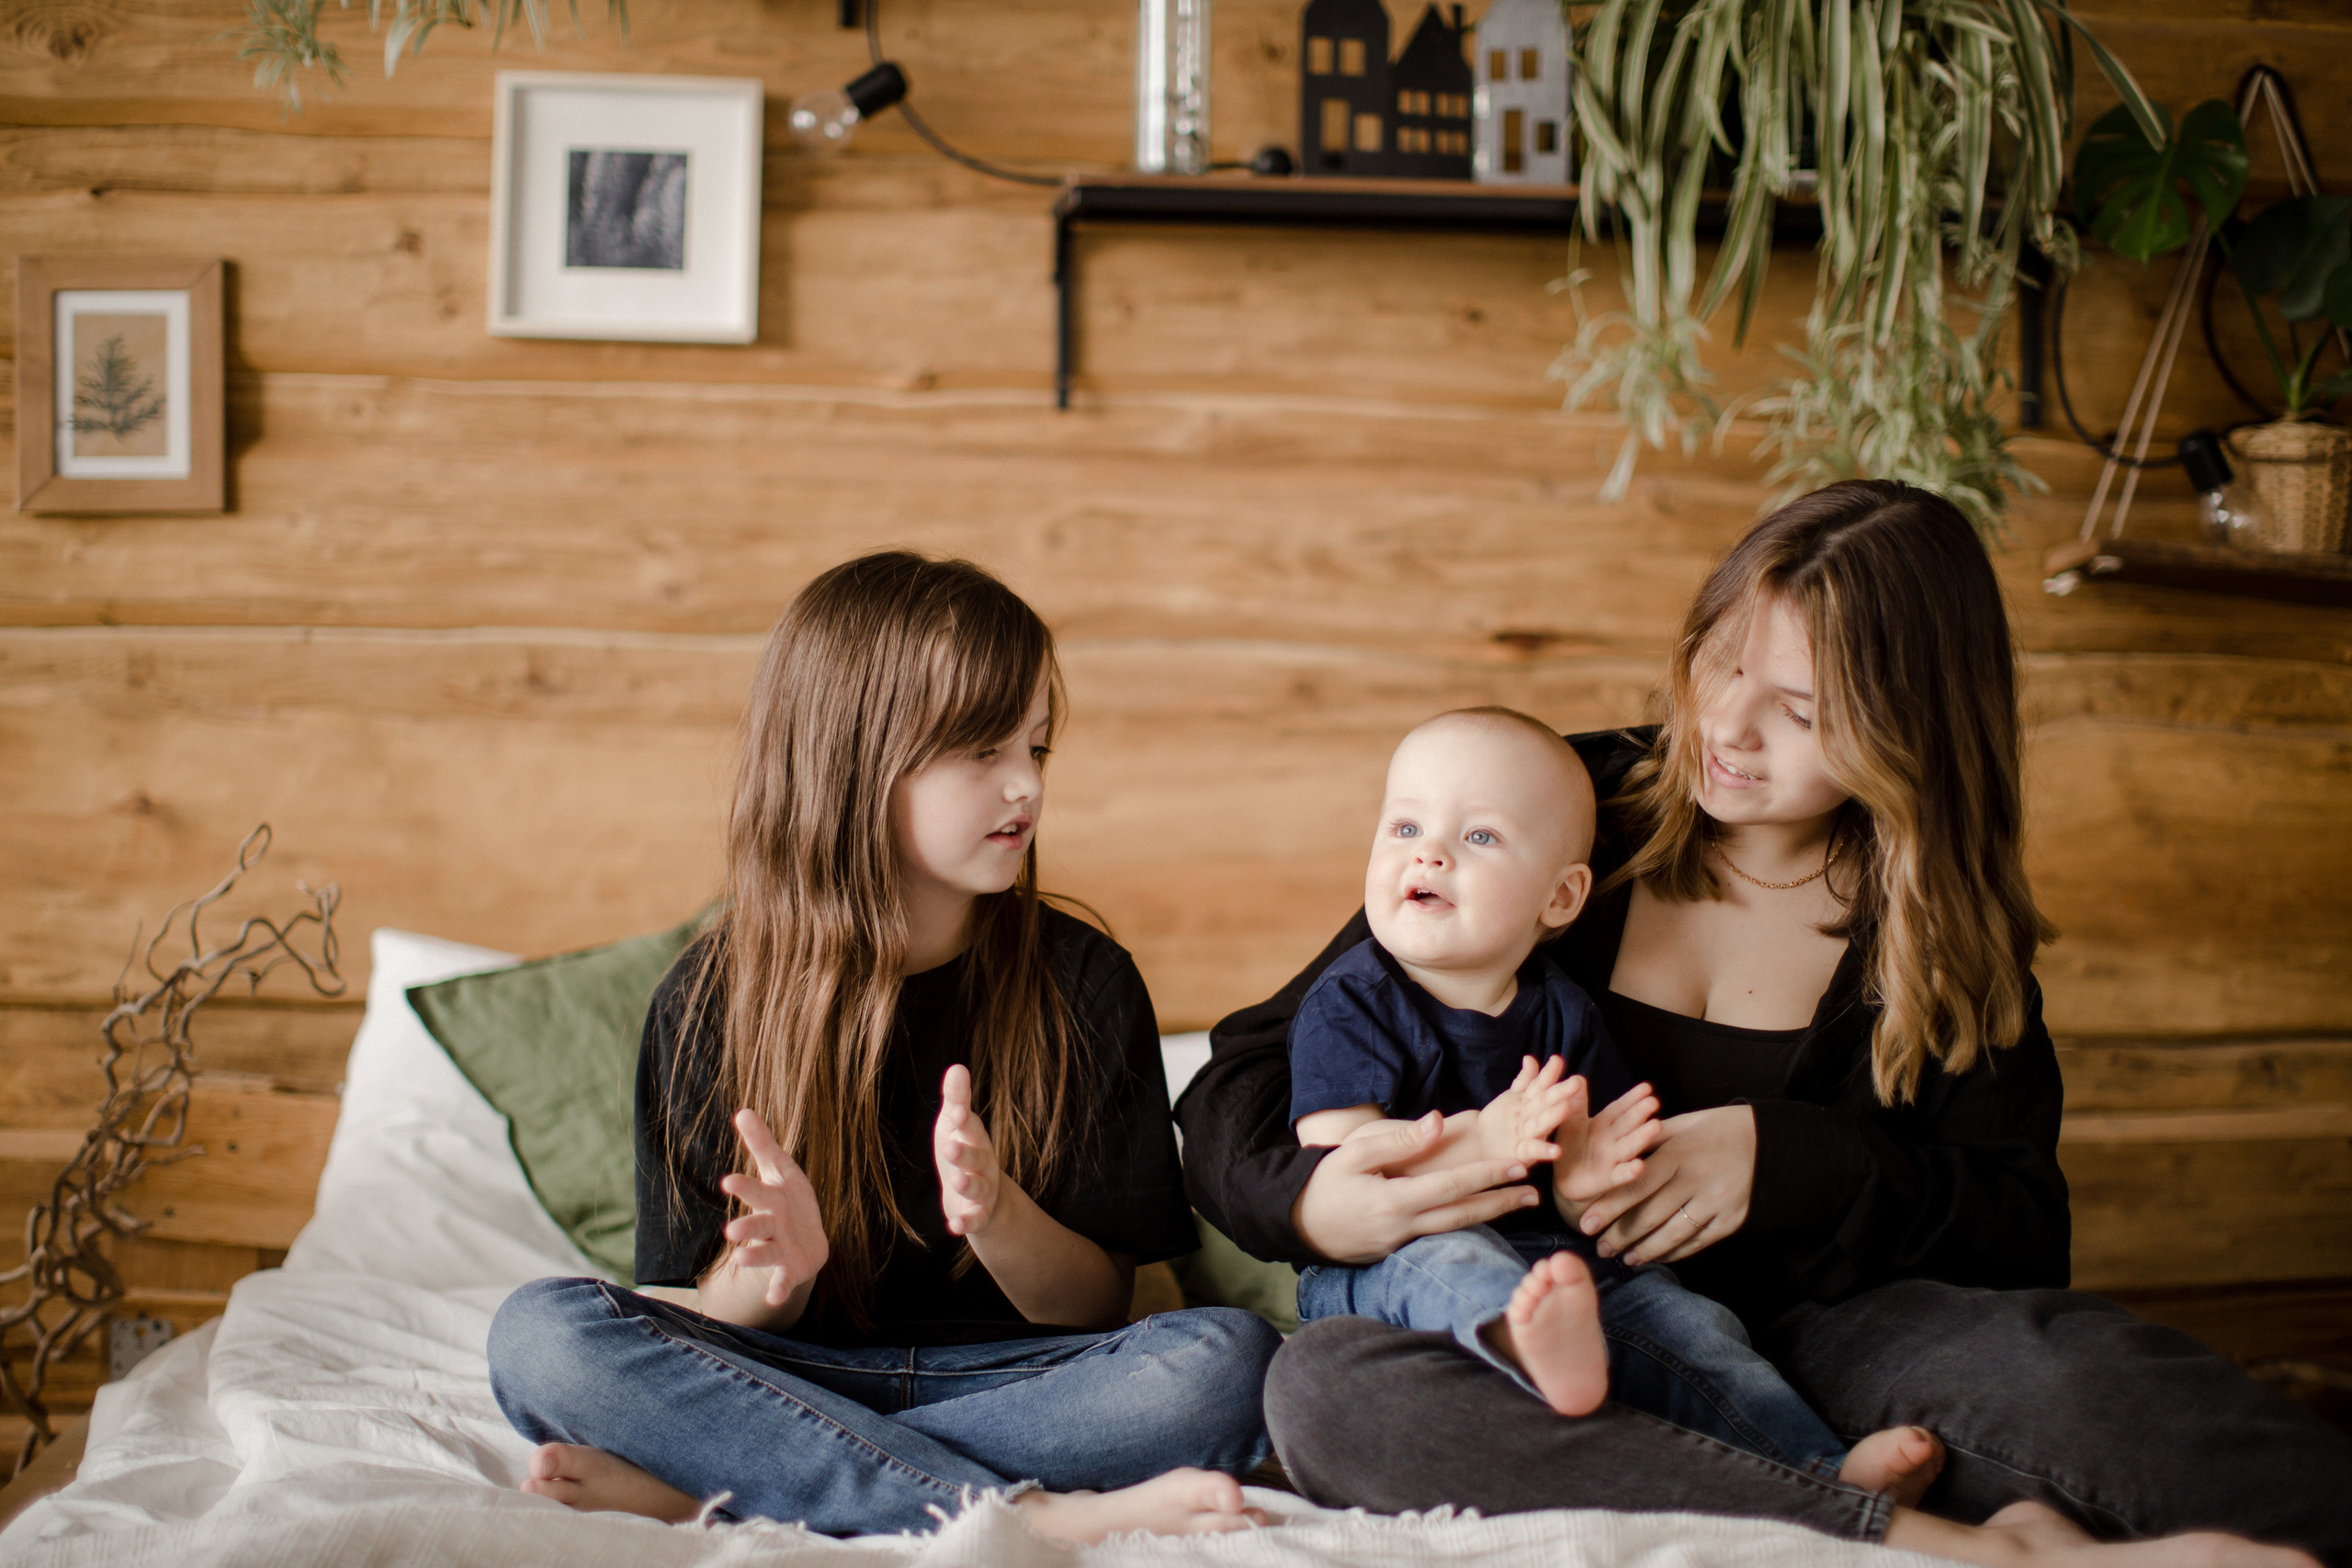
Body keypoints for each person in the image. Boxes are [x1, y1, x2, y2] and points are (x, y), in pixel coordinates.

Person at [1178, 481, 2349, 1568]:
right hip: (1556, 1329)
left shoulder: (1942, 932)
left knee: (2104, 1394)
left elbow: (2019, 1236)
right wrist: (1311, 1203)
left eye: (1797, 707)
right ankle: (1922, 1540)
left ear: (1911, 728)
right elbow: (1248, 1072)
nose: (1727, 727)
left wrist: (1791, 1158)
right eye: (1717, 664)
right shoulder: (1552, 813)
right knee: (1336, 1392)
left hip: (1846, 1336)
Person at [487, 551, 1282, 1542]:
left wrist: (998, 1216)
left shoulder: (1084, 981)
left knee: (1225, 1362)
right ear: (852, 758)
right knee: (541, 1338)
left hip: (1015, 1380)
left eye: (1037, 748)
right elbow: (711, 1321)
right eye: (983, 751)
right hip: (789, 1374)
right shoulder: (705, 1000)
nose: (1025, 786)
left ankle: (731, 1486)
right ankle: (1022, 1519)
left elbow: (1094, 1307)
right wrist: (774, 1279)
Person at [1287, 706, 1941, 1501]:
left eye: (1480, 838)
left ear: (1560, 898)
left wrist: (1587, 1171)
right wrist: (1486, 1142)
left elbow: (1579, 1166)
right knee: (1454, 1263)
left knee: (1692, 1325)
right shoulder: (1354, 998)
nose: (1427, 852)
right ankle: (1522, 1348)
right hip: (1390, 1258)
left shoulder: (1563, 1010)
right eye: (1404, 826)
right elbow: (1348, 1168)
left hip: (1558, 1261)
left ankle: (1816, 1472)